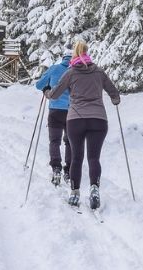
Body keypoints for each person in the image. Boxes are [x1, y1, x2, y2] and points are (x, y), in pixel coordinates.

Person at [46, 41, 120, 210]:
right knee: (94, 158)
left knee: (77, 158)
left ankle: (75, 192)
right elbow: (113, 92)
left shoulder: (70, 73)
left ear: (74, 55)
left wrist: (47, 92)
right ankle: (94, 188)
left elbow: (55, 94)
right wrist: (115, 100)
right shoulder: (99, 72)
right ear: (87, 53)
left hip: (76, 120)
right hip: (99, 119)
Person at [35, 49, 73, 186]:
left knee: (54, 141)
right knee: (70, 142)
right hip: (72, 112)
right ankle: (69, 170)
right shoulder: (77, 71)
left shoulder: (55, 68)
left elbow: (38, 85)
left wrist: (46, 88)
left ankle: (56, 168)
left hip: (55, 110)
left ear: (63, 58)